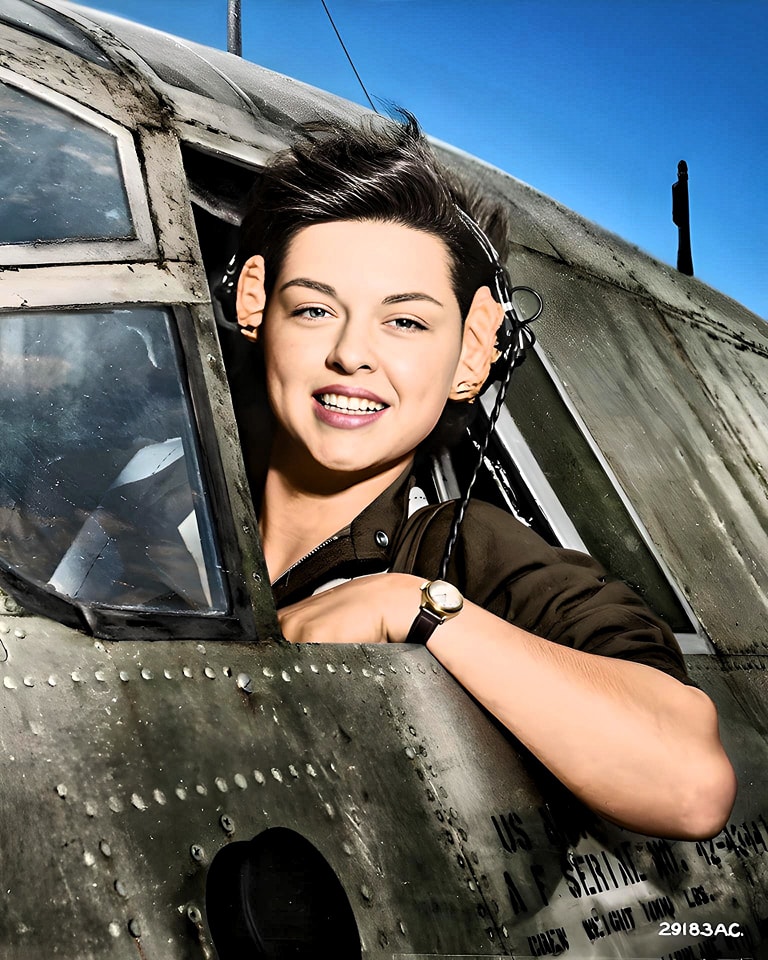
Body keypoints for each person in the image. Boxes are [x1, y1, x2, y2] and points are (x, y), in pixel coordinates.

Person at [231, 112, 736, 841]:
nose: (350, 354)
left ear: (472, 352)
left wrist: (414, 605)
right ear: (256, 305)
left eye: (405, 323)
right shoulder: (146, 511)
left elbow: (690, 784)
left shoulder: (462, 552)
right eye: (313, 309)